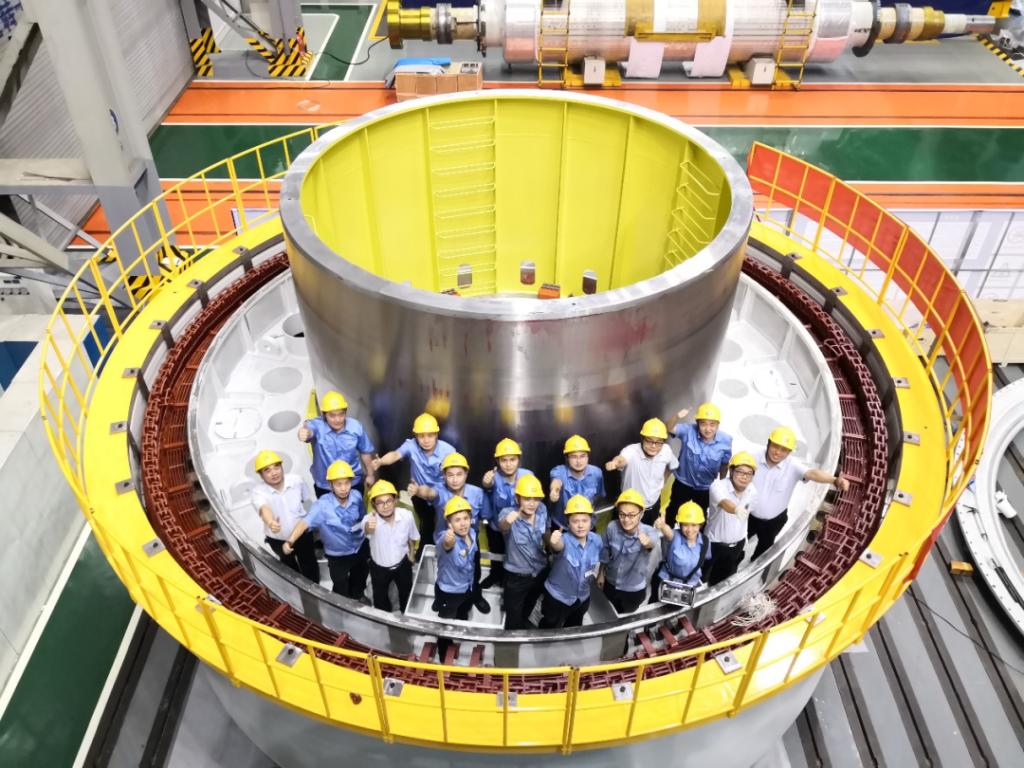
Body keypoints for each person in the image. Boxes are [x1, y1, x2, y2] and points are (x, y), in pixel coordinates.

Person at [749, 426, 849, 561]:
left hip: (773, 521)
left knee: (764, 547)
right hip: (748, 516)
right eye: (775, 446)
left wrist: (834, 480)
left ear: (789, 452)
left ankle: (756, 561)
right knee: (738, 540)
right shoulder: (753, 458)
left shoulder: (792, 466)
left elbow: (813, 473)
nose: (777, 452)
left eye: (784, 450)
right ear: (769, 443)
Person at [283, 460, 369, 600]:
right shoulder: (321, 506)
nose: (343, 488)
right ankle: (342, 604)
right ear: (331, 485)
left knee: (360, 576)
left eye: (347, 483)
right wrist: (290, 541)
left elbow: (362, 517)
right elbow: (304, 523)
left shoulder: (356, 496)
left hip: (359, 548)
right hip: (338, 556)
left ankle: (358, 595)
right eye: (338, 484)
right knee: (340, 584)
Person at [372, 412, 455, 556]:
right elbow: (396, 454)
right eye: (421, 436)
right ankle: (423, 553)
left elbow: (456, 473)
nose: (426, 440)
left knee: (443, 524)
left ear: (436, 434)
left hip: (441, 494)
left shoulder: (448, 451)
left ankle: (443, 553)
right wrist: (381, 461)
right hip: (418, 493)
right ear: (416, 436)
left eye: (430, 435)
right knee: (426, 522)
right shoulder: (411, 445)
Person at [423, 452, 489, 613]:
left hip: (470, 538)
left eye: (459, 474)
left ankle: (475, 595)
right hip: (446, 539)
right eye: (450, 475)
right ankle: (441, 598)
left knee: (474, 571)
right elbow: (428, 493)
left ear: (466, 473)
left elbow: (485, 516)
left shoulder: (477, 493)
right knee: (445, 572)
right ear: (444, 476)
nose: (455, 479)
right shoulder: (439, 491)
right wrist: (418, 490)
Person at [251, 449, 319, 583]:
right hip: (278, 540)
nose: (274, 473)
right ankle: (296, 586)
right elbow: (264, 508)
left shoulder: (297, 481)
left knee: (309, 562)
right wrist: (270, 522)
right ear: (261, 475)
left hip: (303, 535)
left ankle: (314, 586)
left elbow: (305, 499)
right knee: (288, 566)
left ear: (282, 467)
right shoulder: (258, 492)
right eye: (267, 470)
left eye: (276, 467)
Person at [297, 390, 375, 497]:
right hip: (325, 485)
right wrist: (304, 433)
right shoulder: (317, 425)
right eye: (332, 416)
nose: (337, 419)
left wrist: (370, 474)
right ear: (324, 415)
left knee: (356, 507)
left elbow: (365, 451)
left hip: (352, 482)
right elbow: (307, 429)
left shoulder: (356, 427)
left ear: (345, 412)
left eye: (341, 414)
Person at [539, 496, 602, 629]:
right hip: (558, 598)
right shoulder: (564, 540)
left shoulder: (597, 540)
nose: (580, 525)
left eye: (584, 520)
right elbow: (558, 546)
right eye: (575, 521)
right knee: (549, 625)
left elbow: (597, 562)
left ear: (591, 521)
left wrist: (600, 575)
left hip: (582, 598)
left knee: (574, 626)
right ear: (568, 523)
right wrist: (554, 542)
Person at [666, 403, 732, 526]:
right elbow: (668, 428)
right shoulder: (688, 431)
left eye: (712, 424)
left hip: (705, 487)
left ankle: (696, 536)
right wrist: (677, 416)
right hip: (683, 483)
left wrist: (722, 484)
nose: (708, 429)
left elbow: (724, 464)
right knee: (673, 510)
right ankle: (667, 532)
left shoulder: (726, 440)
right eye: (703, 424)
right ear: (697, 423)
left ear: (718, 425)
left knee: (700, 517)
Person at [480, 438, 534, 589]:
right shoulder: (493, 477)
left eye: (512, 459)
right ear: (497, 461)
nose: (508, 464)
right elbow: (487, 487)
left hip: (519, 529)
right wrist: (486, 483)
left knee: (515, 556)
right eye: (504, 460)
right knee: (496, 552)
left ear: (518, 460)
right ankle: (495, 575)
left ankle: (509, 579)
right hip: (497, 527)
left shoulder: (528, 476)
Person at [605, 418, 680, 525]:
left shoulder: (666, 450)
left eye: (659, 442)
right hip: (629, 508)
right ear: (642, 438)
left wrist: (663, 480)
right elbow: (621, 459)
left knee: (648, 533)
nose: (653, 446)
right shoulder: (631, 451)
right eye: (649, 441)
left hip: (653, 506)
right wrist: (615, 462)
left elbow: (673, 465)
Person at [498, 474, 550, 630]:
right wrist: (508, 521)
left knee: (530, 603)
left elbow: (545, 531)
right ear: (517, 498)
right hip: (517, 577)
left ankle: (523, 623)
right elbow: (503, 526)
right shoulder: (508, 513)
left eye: (536, 499)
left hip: (539, 571)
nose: (532, 503)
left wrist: (553, 543)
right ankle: (513, 637)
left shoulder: (542, 510)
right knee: (513, 614)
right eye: (527, 499)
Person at [363, 480, 419, 613]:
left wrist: (411, 554)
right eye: (380, 502)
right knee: (380, 599)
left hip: (402, 564)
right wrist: (369, 526)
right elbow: (367, 530)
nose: (385, 506)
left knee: (406, 594)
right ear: (374, 504)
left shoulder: (406, 516)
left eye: (389, 501)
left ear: (396, 500)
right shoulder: (369, 520)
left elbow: (412, 536)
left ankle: (405, 614)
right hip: (379, 568)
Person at [599, 488, 657, 613]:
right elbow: (605, 552)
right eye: (622, 514)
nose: (626, 520)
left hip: (633, 591)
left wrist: (647, 543)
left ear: (641, 514)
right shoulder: (612, 527)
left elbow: (652, 544)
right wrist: (600, 574)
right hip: (610, 583)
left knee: (626, 616)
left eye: (631, 515)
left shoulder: (649, 532)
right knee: (608, 612)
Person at [705, 452, 759, 586]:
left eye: (749, 473)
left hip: (737, 546)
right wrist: (736, 510)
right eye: (740, 472)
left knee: (725, 580)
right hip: (714, 545)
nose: (744, 477)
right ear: (731, 470)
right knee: (704, 578)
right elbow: (724, 503)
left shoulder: (752, 491)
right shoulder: (718, 486)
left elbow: (750, 510)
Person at [651, 501, 711, 600]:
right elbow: (668, 533)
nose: (690, 530)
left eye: (694, 525)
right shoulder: (675, 536)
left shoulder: (705, 542)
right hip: (666, 582)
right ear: (680, 524)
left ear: (700, 525)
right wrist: (663, 526)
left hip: (689, 585)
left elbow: (705, 560)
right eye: (685, 525)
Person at [433, 496, 479, 622]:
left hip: (467, 586)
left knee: (463, 614)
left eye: (466, 518)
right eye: (457, 520)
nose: (463, 523)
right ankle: (439, 605)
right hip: (450, 591)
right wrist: (448, 542)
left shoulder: (472, 533)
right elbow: (446, 544)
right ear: (449, 523)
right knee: (446, 618)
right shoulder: (446, 538)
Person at [549, 434, 606, 529]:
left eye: (582, 456)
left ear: (588, 457)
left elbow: (598, 496)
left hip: (588, 525)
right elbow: (556, 482)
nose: (579, 461)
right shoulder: (559, 471)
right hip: (563, 526)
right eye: (573, 457)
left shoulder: (597, 473)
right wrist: (554, 491)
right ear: (567, 458)